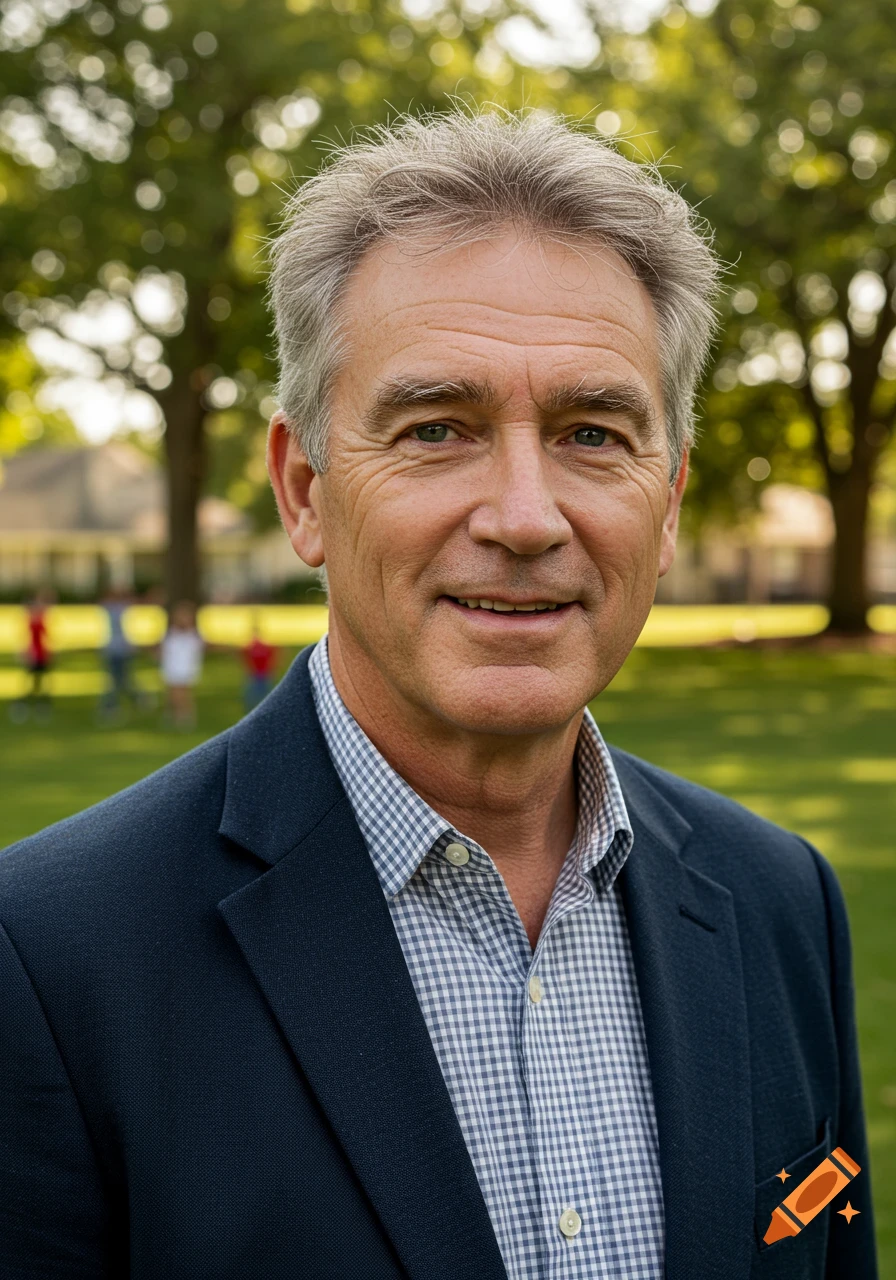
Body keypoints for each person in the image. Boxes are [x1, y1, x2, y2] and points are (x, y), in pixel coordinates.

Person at [0, 112, 876, 1279]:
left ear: (665, 504)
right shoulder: (49, 955)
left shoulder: (779, 900)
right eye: (436, 428)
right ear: (304, 489)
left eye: (590, 432)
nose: (522, 515)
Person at [8, 590, 53, 723]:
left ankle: (40, 704)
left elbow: (46, 637)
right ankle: (23, 704)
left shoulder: (40, 619)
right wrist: (26, 653)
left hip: (41, 653)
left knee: (39, 681)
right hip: (34, 654)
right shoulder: (31, 621)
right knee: (31, 681)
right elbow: (26, 639)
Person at [96, 586, 139, 723]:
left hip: (120, 649)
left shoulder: (118, 610)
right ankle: (113, 705)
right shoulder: (112, 610)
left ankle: (132, 700)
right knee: (116, 680)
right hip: (114, 650)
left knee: (122, 679)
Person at [159, 599, 203, 729]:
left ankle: (185, 717)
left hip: (186, 668)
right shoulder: (171, 634)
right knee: (172, 693)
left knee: (184, 694)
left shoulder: (192, 635)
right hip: (172, 667)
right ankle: (174, 715)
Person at [241, 614, 277, 711]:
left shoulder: (264, 646)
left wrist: (271, 668)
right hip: (254, 672)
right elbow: (244, 658)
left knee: (265, 692)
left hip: (264, 672)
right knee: (252, 693)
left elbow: (272, 657)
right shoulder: (250, 646)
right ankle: (251, 707)